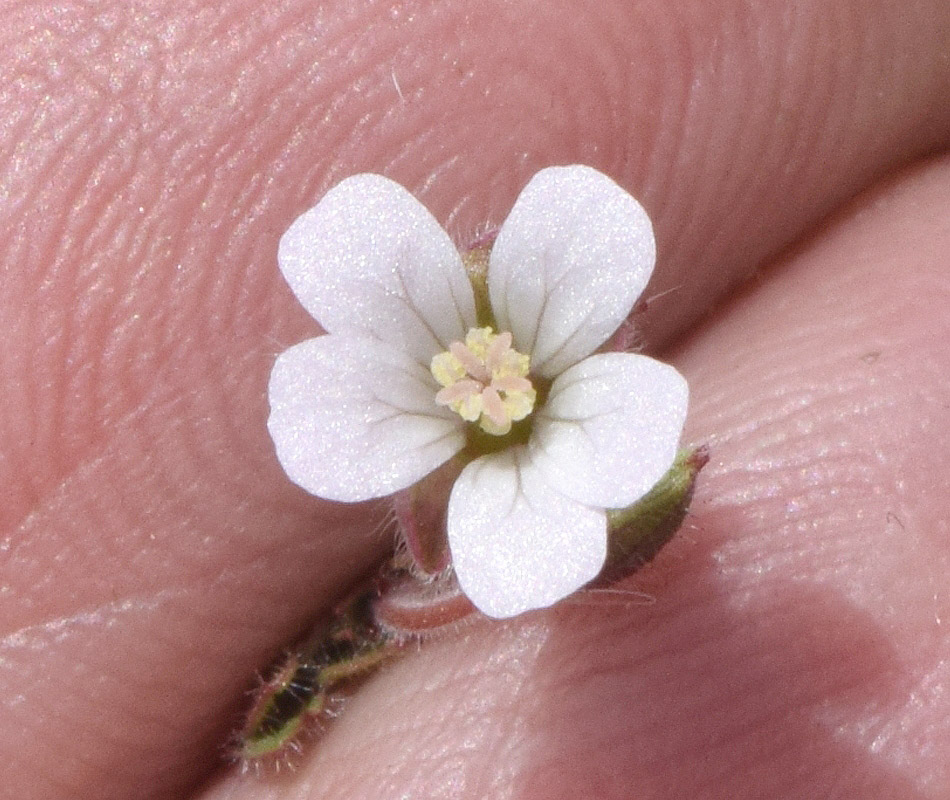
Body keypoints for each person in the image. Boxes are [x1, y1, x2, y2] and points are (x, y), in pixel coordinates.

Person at [1, 1, 948, 798]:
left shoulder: (558, 367)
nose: (490, 386)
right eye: (479, 384)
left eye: (501, 380)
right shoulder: (393, 365)